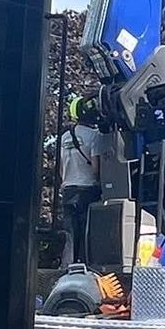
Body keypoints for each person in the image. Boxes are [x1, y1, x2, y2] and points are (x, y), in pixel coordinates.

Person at [58, 96, 109, 265]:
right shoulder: (95, 136)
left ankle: (66, 268)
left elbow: (60, 169)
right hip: (87, 190)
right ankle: (83, 268)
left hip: (68, 190)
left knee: (70, 233)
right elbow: (96, 168)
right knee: (87, 231)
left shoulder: (64, 137)